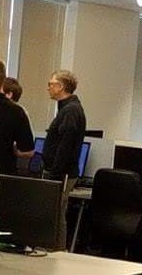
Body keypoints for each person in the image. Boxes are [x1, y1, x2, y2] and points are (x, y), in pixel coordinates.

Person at [42, 69, 86, 250]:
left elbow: (65, 145)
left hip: (62, 172)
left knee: (57, 213)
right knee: (57, 212)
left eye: (51, 84)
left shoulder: (71, 111)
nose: (48, 88)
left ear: (61, 87)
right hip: (60, 171)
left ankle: (58, 250)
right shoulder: (67, 109)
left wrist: (54, 173)